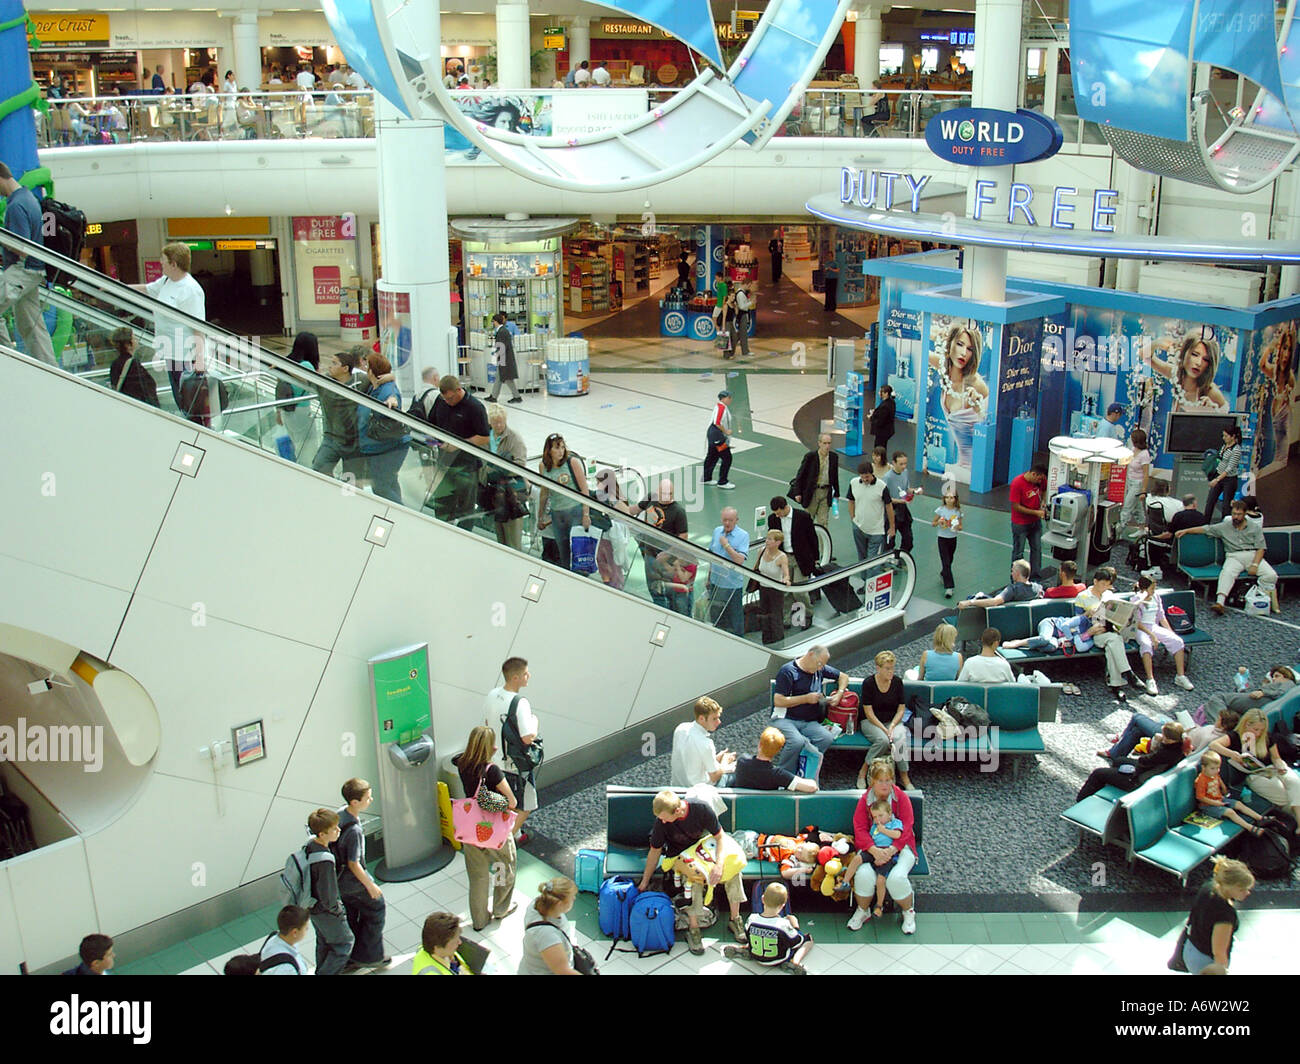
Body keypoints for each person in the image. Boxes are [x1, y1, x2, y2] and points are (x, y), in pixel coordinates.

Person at [637, 791, 746, 956]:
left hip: (702, 851)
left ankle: (735, 919)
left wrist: (719, 865)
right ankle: (694, 929)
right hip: (680, 857)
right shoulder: (661, 823)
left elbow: (720, 837)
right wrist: (645, 881)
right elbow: (655, 851)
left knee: (733, 873)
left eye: (665, 818)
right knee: (693, 878)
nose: (662, 821)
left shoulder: (701, 809)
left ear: (679, 811)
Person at [453, 726, 518, 932]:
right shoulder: (492, 771)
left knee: (478, 877)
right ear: (489, 747)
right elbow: (512, 802)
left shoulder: (462, 763)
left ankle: (479, 921)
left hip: (470, 830)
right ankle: (501, 908)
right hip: (494, 831)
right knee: (503, 867)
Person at [130, 241, 206, 409]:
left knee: (188, 398)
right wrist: (116, 287)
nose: (160, 263)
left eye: (163, 260)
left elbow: (198, 327)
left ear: (174, 264)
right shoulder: (166, 281)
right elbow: (147, 288)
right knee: (179, 396)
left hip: (185, 355)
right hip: (170, 352)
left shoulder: (191, 290)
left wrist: (199, 360)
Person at [847, 760, 919, 934]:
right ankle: (863, 911)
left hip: (901, 848)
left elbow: (907, 828)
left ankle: (908, 911)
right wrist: (874, 850)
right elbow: (860, 828)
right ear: (873, 781)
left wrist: (891, 849)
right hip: (873, 849)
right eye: (881, 781)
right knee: (863, 875)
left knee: (896, 878)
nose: (885, 784)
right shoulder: (865, 800)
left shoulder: (901, 798)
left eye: (888, 780)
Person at [1176, 499, 1278, 616]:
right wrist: (1186, 530)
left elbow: (1261, 548)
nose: (1236, 517)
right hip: (1234, 555)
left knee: (1271, 575)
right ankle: (1220, 603)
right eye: (1234, 514)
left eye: (1239, 514)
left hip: (1252, 555)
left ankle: (1260, 598)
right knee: (1227, 573)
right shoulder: (1225, 526)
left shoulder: (1254, 527)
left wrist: (1255, 564)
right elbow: (1205, 529)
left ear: (1245, 514)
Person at [0, 162, 58, 367]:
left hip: (21, 270)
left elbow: (21, 247)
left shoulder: (15, 206)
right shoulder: (29, 198)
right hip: (33, 272)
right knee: (31, 326)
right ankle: (50, 370)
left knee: (30, 326)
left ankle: (7, 361)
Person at [770, 645, 851, 778]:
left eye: (823, 665)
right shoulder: (788, 671)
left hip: (809, 721)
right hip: (785, 718)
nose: (820, 668)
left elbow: (843, 677)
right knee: (796, 742)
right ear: (810, 654)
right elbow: (778, 701)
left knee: (826, 738)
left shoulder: (819, 669)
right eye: (819, 664)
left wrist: (839, 694)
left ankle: (806, 770)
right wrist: (806, 698)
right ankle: (784, 776)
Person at [484, 657, 540, 843]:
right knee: (526, 805)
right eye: (525, 673)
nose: (528, 676)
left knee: (506, 804)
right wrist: (535, 723)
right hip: (515, 764)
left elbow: (486, 723)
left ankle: (515, 833)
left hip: (494, 760)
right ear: (515, 677)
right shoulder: (520, 703)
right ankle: (506, 842)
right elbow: (527, 737)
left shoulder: (492, 694)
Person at [335, 778, 388, 970]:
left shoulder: (340, 815)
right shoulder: (354, 831)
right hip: (355, 884)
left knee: (352, 917)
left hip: (341, 884)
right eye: (367, 797)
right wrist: (371, 886)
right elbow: (353, 863)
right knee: (376, 910)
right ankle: (371, 956)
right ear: (354, 802)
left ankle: (352, 956)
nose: (371, 800)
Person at [1217, 708, 1300, 823]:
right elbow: (1214, 745)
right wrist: (1232, 754)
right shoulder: (1235, 737)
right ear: (1246, 724)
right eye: (1255, 729)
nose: (1258, 733)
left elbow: (1276, 758)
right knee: (1281, 793)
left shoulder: (1266, 737)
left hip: (1272, 769)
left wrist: (1280, 765)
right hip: (1254, 775)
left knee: (1295, 783)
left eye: (1261, 730)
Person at [1075, 564, 1144, 700]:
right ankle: (1128, 674)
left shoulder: (1109, 595)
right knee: (1114, 641)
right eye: (1103, 584)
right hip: (1094, 632)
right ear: (1095, 582)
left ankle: (1117, 684)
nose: (1105, 588)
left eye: (1107, 585)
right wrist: (1088, 614)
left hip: (1111, 631)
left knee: (1112, 643)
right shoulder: (1082, 596)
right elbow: (1076, 621)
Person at [428, 375, 491, 523]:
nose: (448, 402)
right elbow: (430, 426)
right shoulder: (441, 402)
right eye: (445, 399)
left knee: (466, 509)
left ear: (458, 390)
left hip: (466, 466)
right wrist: (435, 444)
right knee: (442, 505)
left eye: (451, 398)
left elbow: (485, 437)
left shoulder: (475, 407)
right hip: (444, 463)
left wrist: (458, 444)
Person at [929, 323, 989, 473]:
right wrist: (934, 334)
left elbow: (988, 424)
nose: (963, 353)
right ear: (950, 345)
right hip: (960, 465)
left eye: (969, 349)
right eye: (960, 344)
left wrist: (978, 408)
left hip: (974, 469)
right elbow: (923, 350)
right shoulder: (944, 368)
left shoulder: (977, 384)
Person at [1075, 721, 1185, 800]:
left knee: (1098, 773)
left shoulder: (1165, 753)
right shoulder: (1180, 749)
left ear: (1169, 739)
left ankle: (1082, 799)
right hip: (1150, 772)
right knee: (1119, 761)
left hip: (1137, 780)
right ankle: (1111, 783)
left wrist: (1156, 746)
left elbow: (1144, 760)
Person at [1181, 857, 1253, 973]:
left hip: (1191, 948)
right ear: (1229, 887)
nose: (1247, 893)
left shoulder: (1208, 887)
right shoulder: (1225, 914)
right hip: (1205, 961)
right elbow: (1219, 953)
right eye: (1242, 889)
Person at [304, 808, 353, 975]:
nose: (338, 831)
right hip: (327, 911)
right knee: (344, 944)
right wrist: (338, 912)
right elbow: (328, 895)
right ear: (322, 834)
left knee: (324, 942)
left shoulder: (309, 845)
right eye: (334, 829)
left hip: (313, 907)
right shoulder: (325, 860)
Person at [726, 882, 814, 973]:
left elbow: (748, 936)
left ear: (763, 899)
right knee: (807, 940)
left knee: (756, 936)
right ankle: (795, 962)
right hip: (778, 959)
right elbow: (796, 942)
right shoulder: (783, 924)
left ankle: (746, 949)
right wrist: (795, 926)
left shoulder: (752, 918)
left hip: (756, 956)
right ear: (782, 905)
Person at [857, 650, 914, 790]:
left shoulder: (897, 682)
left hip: (892, 721)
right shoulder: (869, 683)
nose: (891, 672)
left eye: (892, 668)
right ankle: (863, 771)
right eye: (887, 669)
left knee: (900, 739)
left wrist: (893, 726)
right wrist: (884, 729)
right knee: (882, 740)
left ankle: (904, 776)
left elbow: (901, 709)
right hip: (871, 722)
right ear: (878, 668)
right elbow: (868, 712)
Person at [356, 351, 407, 504]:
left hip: (386, 447)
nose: (365, 369)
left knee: (380, 486)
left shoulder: (387, 390)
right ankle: (400, 511)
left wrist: (392, 400)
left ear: (371, 371)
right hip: (376, 446)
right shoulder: (374, 386)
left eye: (368, 366)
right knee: (389, 482)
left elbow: (392, 398)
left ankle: (401, 514)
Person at [1131, 574, 1194, 694]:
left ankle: (1180, 676)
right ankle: (1150, 679)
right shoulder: (1136, 600)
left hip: (1153, 626)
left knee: (1177, 641)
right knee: (1146, 644)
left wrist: (1170, 633)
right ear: (1144, 589)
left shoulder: (1156, 597)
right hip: (1141, 629)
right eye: (1152, 589)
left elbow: (1161, 616)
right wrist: (1152, 635)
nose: (1154, 591)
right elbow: (1137, 623)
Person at [537, 433, 591, 571]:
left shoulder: (572, 462)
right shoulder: (543, 466)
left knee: (578, 551)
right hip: (557, 514)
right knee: (563, 553)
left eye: (562, 447)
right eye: (557, 448)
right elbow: (544, 493)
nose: (561, 451)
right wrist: (540, 516)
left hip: (575, 511)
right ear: (549, 450)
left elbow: (585, 490)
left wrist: (586, 514)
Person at [312, 346, 367, 479]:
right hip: (332, 439)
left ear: (345, 368)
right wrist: (282, 367)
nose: (330, 367)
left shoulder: (360, 381)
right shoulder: (325, 382)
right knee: (318, 468)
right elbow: (305, 377)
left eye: (334, 363)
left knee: (352, 480)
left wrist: (391, 388)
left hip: (353, 442)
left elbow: (379, 380)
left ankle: (348, 498)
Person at [635, 478, 691, 609]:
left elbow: (683, 537)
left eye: (670, 494)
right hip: (649, 552)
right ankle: (659, 608)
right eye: (663, 493)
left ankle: (670, 611)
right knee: (653, 587)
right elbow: (633, 510)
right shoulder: (650, 499)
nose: (666, 497)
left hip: (667, 560)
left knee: (668, 589)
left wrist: (667, 554)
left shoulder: (678, 511)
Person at [1145, 333, 1228, 412]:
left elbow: (1228, 421)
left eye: (1205, 359)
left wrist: (1213, 412)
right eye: (1195, 354)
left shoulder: (1211, 391)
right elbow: (1144, 356)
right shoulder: (1175, 373)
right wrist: (1157, 343)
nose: (1199, 363)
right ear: (1184, 353)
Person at [766, 496, 815, 628]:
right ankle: (786, 617)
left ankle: (808, 614)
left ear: (785, 507)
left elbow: (812, 538)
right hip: (783, 558)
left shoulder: (803, 517)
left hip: (800, 558)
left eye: (778, 512)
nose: (776, 516)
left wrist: (815, 558)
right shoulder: (773, 519)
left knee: (799, 590)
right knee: (785, 590)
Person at [485, 403, 528, 550]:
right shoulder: (486, 437)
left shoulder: (514, 438)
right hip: (494, 493)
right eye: (495, 422)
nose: (498, 425)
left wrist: (501, 470)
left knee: (513, 540)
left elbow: (521, 464)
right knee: (500, 536)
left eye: (501, 421)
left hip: (512, 495)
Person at [1195, 750, 1266, 835]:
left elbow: (1218, 779)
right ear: (1203, 767)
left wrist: (1223, 788)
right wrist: (1216, 803)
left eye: (1218, 768)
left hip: (1220, 799)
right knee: (1230, 812)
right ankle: (1250, 828)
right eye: (1213, 768)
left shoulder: (1213, 774)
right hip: (1207, 807)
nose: (1217, 771)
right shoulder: (1201, 781)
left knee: (1239, 804)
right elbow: (1200, 797)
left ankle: (1260, 818)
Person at [671, 696, 736, 788]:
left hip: (677, 788)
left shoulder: (680, 729)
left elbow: (693, 762)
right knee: (734, 774)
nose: (719, 722)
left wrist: (715, 758)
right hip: (699, 791)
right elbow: (714, 776)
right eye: (714, 719)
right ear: (701, 718)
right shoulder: (706, 743)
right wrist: (724, 763)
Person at [520, 878, 582, 975]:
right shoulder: (547, 936)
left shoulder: (537, 904)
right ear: (559, 904)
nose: (574, 899)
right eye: (572, 897)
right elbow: (564, 971)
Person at [278, 331, 321, 466]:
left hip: (287, 410)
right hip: (302, 410)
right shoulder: (306, 366)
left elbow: (279, 389)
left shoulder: (286, 361)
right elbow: (310, 382)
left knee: (296, 443)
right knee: (307, 446)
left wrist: (278, 411)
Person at [732, 727, 819, 792]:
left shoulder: (742, 761)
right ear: (778, 751)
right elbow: (812, 787)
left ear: (760, 744)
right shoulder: (778, 775)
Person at [706, 507, 750, 636]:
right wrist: (709, 577)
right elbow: (711, 555)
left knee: (735, 618)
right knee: (716, 614)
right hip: (716, 581)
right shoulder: (716, 531)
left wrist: (726, 545)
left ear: (736, 520)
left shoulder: (743, 535)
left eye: (730, 520)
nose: (727, 523)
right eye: (724, 520)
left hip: (732, 585)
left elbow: (739, 560)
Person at [847, 462, 894, 563]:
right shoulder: (853, 483)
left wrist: (892, 527)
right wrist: (853, 518)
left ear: (872, 474)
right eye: (862, 477)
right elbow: (851, 501)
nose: (865, 480)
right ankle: (865, 579)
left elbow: (889, 506)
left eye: (867, 477)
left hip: (876, 531)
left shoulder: (882, 486)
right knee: (861, 560)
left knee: (872, 562)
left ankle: (871, 578)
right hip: (858, 528)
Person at [790, 432, 840, 527]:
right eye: (825, 443)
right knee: (808, 519)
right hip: (812, 492)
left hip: (826, 492)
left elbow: (835, 476)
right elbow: (801, 475)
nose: (827, 446)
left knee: (823, 522)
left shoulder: (834, 457)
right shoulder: (810, 457)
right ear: (819, 443)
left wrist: (836, 493)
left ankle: (823, 541)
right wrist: (797, 492)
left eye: (829, 443)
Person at [1008, 462, 1048, 579]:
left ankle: (1035, 577)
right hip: (1020, 524)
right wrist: (1036, 512)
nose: (1040, 482)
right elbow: (1016, 506)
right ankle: (1016, 579)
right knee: (1018, 552)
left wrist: (1043, 502)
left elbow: (1044, 490)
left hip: (1035, 523)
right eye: (1039, 479)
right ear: (1033, 474)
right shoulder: (1017, 483)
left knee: (1037, 549)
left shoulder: (1042, 480)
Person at [752, 529, 791, 643]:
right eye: (767, 538)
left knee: (776, 615)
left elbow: (786, 574)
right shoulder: (762, 551)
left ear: (778, 542)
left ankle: (778, 639)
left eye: (770, 539)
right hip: (763, 588)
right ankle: (766, 638)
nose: (767, 541)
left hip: (775, 590)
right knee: (764, 614)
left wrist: (786, 580)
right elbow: (756, 567)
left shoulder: (782, 557)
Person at [883, 450, 920, 562]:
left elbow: (906, 488)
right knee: (890, 539)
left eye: (905, 463)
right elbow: (886, 499)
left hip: (903, 510)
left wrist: (914, 491)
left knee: (908, 539)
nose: (904, 466)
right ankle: (888, 560)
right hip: (891, 510)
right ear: (894, 463)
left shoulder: (905, 472)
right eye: (901, 464)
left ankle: (902, 558)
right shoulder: (888, 478)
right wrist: (900, 501)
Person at [957, 559, 1043, 609]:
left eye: (1012, 571)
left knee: (975, 597)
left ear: (1017, 573)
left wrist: (970, 602)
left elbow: (994, 602)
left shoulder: (1012, 590)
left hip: (1004, 614)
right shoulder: (1038, 588)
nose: (1011, 574)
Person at [107, 327, 159, 407]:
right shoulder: (133, 364)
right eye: (134, 338)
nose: (136, 340)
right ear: (128, 344)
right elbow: (147, 386)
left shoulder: (114, 364)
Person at [1204, 424, 1244, 523]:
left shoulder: (1236, 450)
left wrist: (1217, 480)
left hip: (1229, 479)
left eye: (1226, 436)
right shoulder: (1224, 446)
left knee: (1226, 505)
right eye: (1223, 436)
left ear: (1233, 436)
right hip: (1219, 475)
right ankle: (1205, 523)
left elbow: (1229, 468)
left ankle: (1225, 525)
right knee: (1210, 501)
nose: (1224, 438)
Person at [258, 905, 310, 974]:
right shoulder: (287, 969)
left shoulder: (274, 938)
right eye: (306, 928)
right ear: (294, 932)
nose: (307, 930)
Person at [704, 390, 739, 489]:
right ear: (724, 398)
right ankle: (723, 482)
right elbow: (717, 422)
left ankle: (706, 478)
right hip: (717, 436)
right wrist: (726, 431)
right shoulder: (721, 407)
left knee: (712, 456)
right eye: (729, 398)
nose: (730, 400)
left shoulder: (721, 406)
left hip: (713, 435)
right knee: (727, 457)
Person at [931, 486, 962, 597]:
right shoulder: (941, 510)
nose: (949, 500)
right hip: (942, 539)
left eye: (952, 497)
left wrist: (956, 526)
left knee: (950, 559)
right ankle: (949, 587)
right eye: (947, 497)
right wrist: (939, 521)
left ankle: (943, 574)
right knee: (946, 562)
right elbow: (933, 523)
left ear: (955, 499)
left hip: (952, 538)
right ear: (944, 498)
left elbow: (961, 526)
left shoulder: (957, 512)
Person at [487, 310, 521, 403]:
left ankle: (517, 396)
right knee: (499, 377)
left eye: (493, 321)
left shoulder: (501, 332)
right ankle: (494, 396)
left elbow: (501, 347)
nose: (493, 323)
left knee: (507, 378)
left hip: (504, 359)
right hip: (505, 358)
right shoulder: (503, 331)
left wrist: (495, 357)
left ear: (496, 322)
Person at [1120, 427, 1152, 527]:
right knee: (1137, 508)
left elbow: (1146, 474)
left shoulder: (1144, 454)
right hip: (1129, 481)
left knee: (1127, 506)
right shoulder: (1133, 450)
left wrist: (1143, 490)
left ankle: (1120, 529)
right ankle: (1142, 528)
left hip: (1138, 484)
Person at [870, 385, 896, 453]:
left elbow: (880, 421)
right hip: (887, 431)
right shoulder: (891, 402)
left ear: (886, 393)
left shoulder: (885, 406)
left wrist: (871, 417)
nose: (879, 393)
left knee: (879, 448)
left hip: (882, 432)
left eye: (881, 391)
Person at [730, 284, 754, 359]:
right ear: (746, 284)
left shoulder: (742, 293)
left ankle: (743, 351)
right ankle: (735, 351)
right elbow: (742, 306)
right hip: (742, 316)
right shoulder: (740, 294)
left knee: (741, 334)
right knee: (741, 334)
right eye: (749, 286)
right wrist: (751, 302)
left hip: (742, 315)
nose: (749, 288)